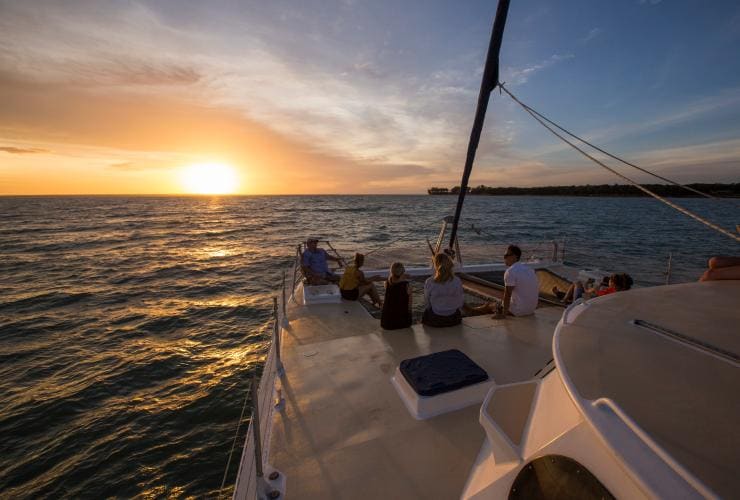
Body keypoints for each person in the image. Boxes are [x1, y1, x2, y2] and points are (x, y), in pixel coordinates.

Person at [469, 245, 539, 318]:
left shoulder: (510, 271)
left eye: (506, 255)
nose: (504, 258)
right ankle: (473, 310)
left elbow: (508, 294)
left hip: (518, 311)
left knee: (490, 306)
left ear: (515, 256)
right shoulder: (529, 269)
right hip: (531, 309)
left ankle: (472, 311)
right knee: (499, 303)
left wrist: (503, 314)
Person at [422, 252, 464, 327]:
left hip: (436, 319)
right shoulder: (457, 280)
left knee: (426, 312)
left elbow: (427, 303)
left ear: (436, 265)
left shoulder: (429, 281)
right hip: (454, 319)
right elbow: (460, 301)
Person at [381, 262, 413, 330]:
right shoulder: (407, 285)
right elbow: (409, 305)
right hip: (401, 323)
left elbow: (395, 282)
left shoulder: (387, 283)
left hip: (386, 322)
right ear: (403, 272)